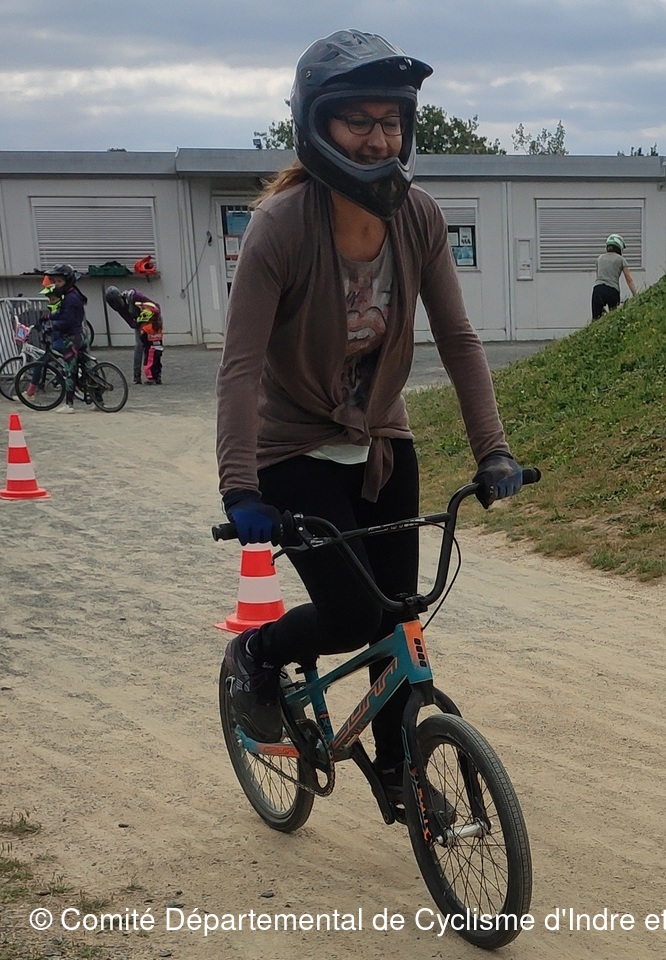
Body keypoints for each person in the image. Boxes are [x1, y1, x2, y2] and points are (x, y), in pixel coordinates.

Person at [214, 29, 526, 808]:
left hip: (383, 442)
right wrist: (239, 488)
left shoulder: (418, 217)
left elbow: (458, 339)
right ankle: (258, 654)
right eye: (360, 120)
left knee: (399, 618)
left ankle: (400, 770)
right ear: (317, 124)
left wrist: (493, 452)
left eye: (391, 121)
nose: (379, 138)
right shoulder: (280, 228)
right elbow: (240, 366)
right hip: (292, 451)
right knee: (353, 614)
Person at [44, 265, 87, 414]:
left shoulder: (70, 298)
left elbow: (67, 321)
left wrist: (52, 326)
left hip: (71, 338)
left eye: (59, 281)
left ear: (67, 281)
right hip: (80, 335)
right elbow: (62, 314)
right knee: (87, 369)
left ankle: (69, 405)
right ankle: (98, 401)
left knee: (70, 371)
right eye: (55, 281)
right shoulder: (73, 294)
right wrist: (49, 317)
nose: (56, 284)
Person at [104, 286, 162, 385]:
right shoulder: (119, 308)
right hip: (140, 322)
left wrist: (152, 322)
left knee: (155, 348)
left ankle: (156, 375)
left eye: (119, 302)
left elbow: (155, 306)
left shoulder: (135, 296)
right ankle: (137, 375)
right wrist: (141, 324)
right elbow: (131, 323)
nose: (120, 306)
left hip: (153, 319)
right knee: (139, 346)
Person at [590, 233, 636, 320]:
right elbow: (629, 279)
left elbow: (598, 275)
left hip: (598, 289)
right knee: (614, 318)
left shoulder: (600, 258)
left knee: (596, 319)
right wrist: (635, 295)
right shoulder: (621, 259)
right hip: (612, 290)